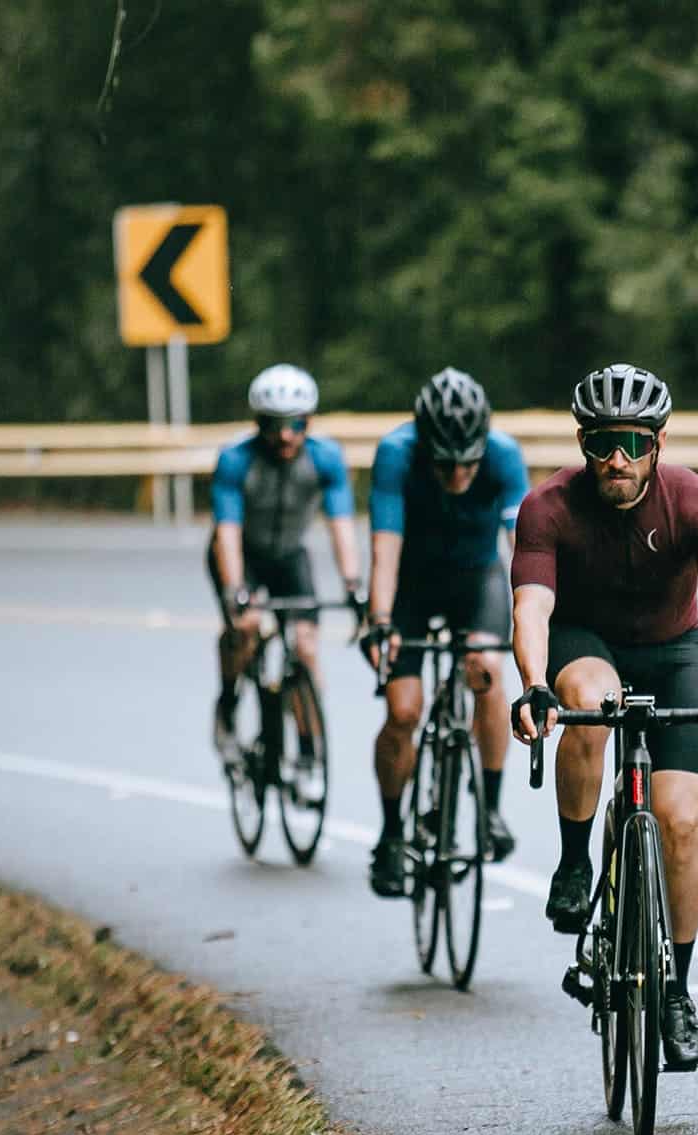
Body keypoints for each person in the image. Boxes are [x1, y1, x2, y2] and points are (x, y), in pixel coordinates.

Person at [508, 362, 698, 1072]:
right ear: (582, 443)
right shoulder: (549, 507)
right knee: (590, 702)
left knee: (681, 821)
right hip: (585, 646)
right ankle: (571, 863)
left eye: (630, 441)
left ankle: (677, 992)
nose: (614, 458)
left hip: (671, 650)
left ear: (657, 442)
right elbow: (531, 607)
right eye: (599, 443)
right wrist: (534, 685)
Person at [362, 367, 530, 897]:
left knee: (486, 669)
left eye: (467, 462)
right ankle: (391, 835)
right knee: (403, 710)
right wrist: (381, 621)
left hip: (475, 578)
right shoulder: (396, 454)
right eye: (445, 463)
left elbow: (523, 552)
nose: (458, 474)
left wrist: (537, 622)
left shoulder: (503, 456)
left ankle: (492, 811)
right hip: (412, 581)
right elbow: (384, 549)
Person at [208, 363, 364, 796]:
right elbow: (227, 531)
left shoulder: (326, 458)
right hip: (244, 555)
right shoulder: (235, 460)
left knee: (307, 647)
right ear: (258, 424)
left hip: (290, 556)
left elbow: (341, 524)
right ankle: (228, 700)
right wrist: (236, 590)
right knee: (246, 626)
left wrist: (354, 583)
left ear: (308, 422)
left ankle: (310, 753)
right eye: (274, 425)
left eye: (296, 424)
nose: (286, 436)